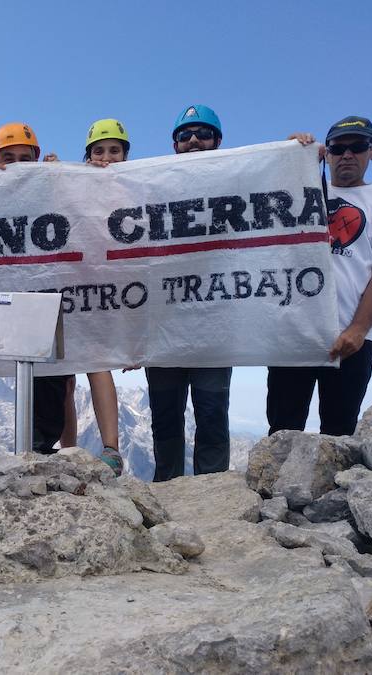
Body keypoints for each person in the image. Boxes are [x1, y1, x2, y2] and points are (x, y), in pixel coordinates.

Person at [267, 116, 372, 435]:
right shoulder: (300, 190)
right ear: (328, 151)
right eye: (338, 147)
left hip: (351, 339)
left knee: (339, 431)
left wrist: (359, 330)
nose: (347, 154)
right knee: (282, 430)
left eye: (358, 146)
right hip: (293, 332)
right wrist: (291, 159)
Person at [0, 123, 69, 471]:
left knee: (49, 373)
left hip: (37, 292)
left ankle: (39, 448)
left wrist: (63, 178)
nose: (17, 165)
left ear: (37, 159)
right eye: (8, 158)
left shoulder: (52, 188)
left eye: (25, 158)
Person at [146, 105, 232, 482]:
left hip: (213, 329)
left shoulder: (236, 180)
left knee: (212, 413)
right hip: (163, 328)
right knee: (165, 417)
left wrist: (296, 153)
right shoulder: (154, 185)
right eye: (185, 135)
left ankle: (213, 494)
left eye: (203, 133)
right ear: (174, 144)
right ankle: (166, 491)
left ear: (218, 141)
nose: (194, 140)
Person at [59, 119, 128, 475]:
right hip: (70, 284)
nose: (106, 157)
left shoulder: (134, 189)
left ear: (126, 155)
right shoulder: (75, 184)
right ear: (86, 157)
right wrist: (57, 172)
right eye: (99, 150)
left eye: (114, 150)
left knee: (97, 363)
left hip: (107, 290)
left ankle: (111, 449)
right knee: (66, 374)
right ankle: (68, 451)